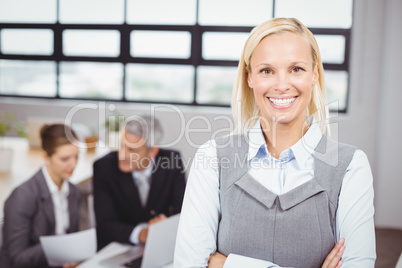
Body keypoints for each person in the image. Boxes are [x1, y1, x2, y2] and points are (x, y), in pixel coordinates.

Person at [174, 18, 376, 268]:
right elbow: (189, 264)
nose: (281, 85)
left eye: (296, 69)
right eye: (266, 71)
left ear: (314, 74)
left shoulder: (350, 166)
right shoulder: (213, 158)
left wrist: (226, 264)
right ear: (250, 78)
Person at [93, 115, 186, 250]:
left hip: (161, 245)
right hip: (119, 245)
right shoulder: (104, 167)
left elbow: (182, 213)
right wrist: (142, 234)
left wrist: (166, 226)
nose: (122, 155)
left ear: (153, 151)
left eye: (132, 150)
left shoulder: (172, 161)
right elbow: (105, 224)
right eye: (122, 146)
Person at [0, 124, 82, 268]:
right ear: (46, 157)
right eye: (65, 159)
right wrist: (58, 247)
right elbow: (17, 259)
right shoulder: (22, 197)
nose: (73, 164)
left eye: (76, 156)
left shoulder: (73, 192)